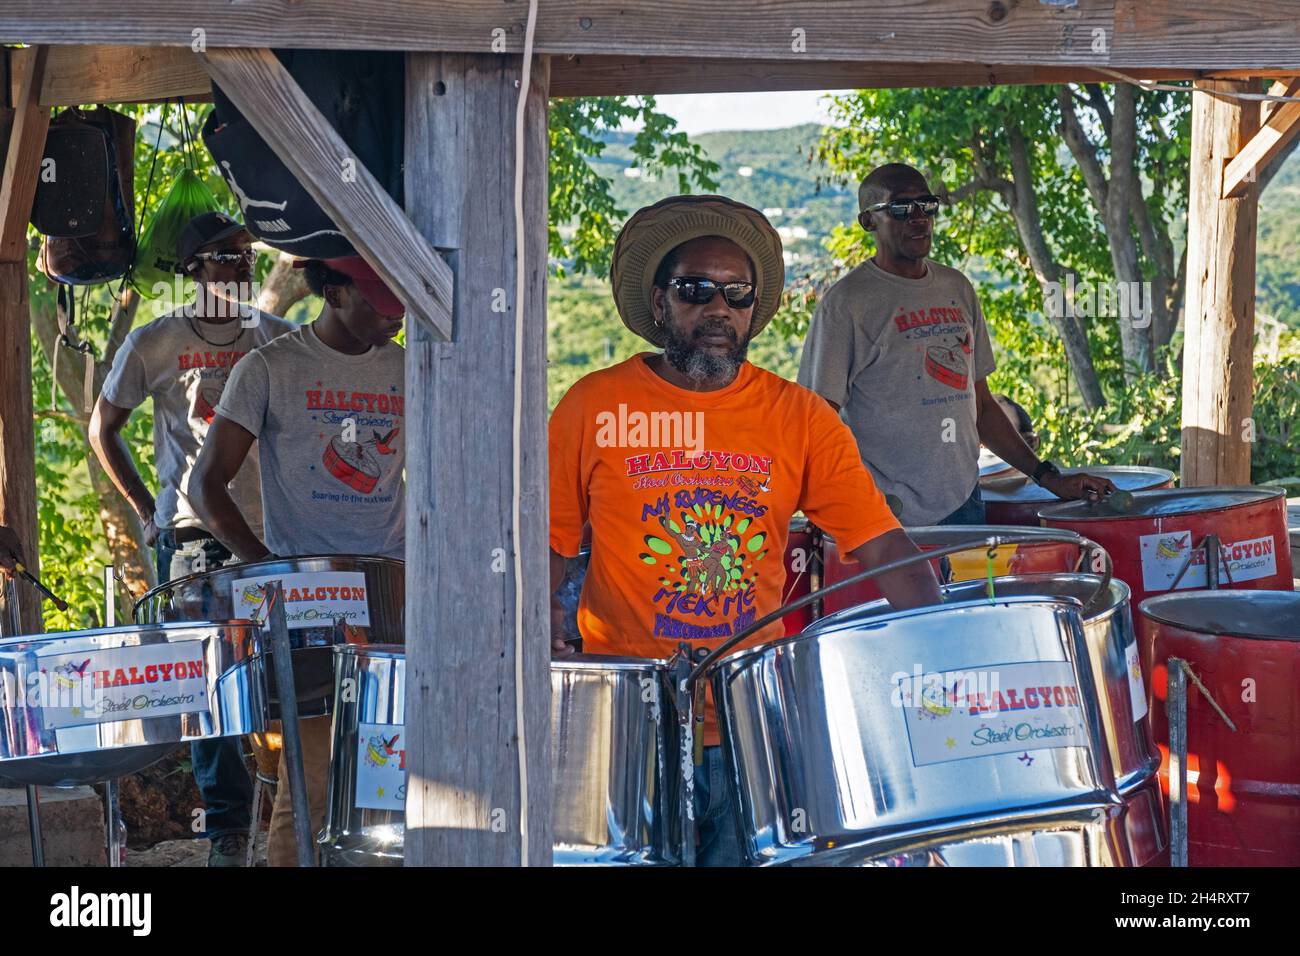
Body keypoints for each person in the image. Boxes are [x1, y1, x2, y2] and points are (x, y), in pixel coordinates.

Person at [548, 195, 942, 866]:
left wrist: (945, 648)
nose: (718, 308)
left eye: (736, 294)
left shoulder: (802, 418)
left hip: (747, 720)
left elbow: (882, 546)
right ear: (660, 301)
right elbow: (545, 555)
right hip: (625, 719)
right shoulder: (592, 406)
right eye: (696, 289)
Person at [90, 211, 294, 866]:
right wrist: (150, 509)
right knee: (211, 687)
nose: (243, 265)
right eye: (228, 255)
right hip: (189, 535)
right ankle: (228, 833)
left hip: (273, 531)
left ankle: (299, 815)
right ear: (193, 267)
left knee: (290, 675)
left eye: (247, 254)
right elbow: (105, 428)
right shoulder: (155, 341)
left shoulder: (278, 339)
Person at [191, 255, 405, 867]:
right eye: (378, 299)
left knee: (392, 780)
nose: (395, 314)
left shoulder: (411, 365)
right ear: (333, 290)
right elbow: (207, 484)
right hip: (310, 604)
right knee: (307, 784)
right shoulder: (270, 367)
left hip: (396, 593)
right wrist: (269, 570)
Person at [798, 163, 1115, 527]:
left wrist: (1047, 476)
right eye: (901, 208)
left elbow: (980, 406)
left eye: (927, 206)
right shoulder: (847, 304)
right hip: (887, 514)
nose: (919, 218)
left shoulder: (956, 288)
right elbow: (816, 421)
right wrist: (846, 503)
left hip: (965, 501)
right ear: (869, 221)